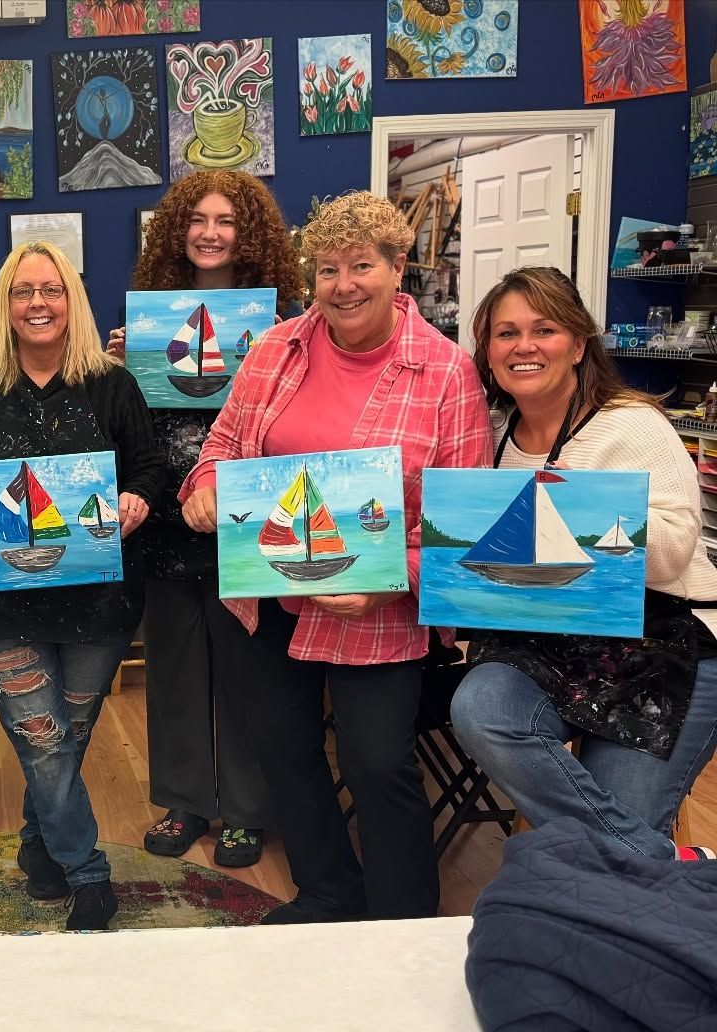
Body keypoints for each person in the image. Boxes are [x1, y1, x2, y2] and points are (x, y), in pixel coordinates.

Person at [178, 191, 493, 924]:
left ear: (398, 268)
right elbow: (222, 446)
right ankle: (327, 892)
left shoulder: (448, 375)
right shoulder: (274, 350)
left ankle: (402, 918)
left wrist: (395, 583)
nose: (343, 285)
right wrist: (201, 487)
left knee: (379, 763)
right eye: (327, 269)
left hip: (379, 610)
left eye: (361, 266)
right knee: (284, 753)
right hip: (267, 592)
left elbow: (466, 524)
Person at [0, 241, 164, 930]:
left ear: (73, 301)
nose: (38, 303)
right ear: (6, 306)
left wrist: (137, 501)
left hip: (98, 598)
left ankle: (40, 848)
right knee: (43, 739)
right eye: (23, 292)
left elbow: (150, 469)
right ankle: (89, 873)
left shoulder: (113, 385)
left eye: (51, 290)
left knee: (66, 737)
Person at [450, 267, 717, 861]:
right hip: (547, 645)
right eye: (506, 333)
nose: (524, 346)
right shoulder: (491, 436)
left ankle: (628, 861)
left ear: (578, 343)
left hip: (662, 645)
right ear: (488, 349)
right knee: (480, 705)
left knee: (608, 859)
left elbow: (673, 551)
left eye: (544, 329)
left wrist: (571, 514)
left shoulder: (630, 424)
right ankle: (654, 859)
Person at [112, 170, 302, 868]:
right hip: (165, 510)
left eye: (226, 220)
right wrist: (120, 367)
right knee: (174, 662)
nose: (210, 232)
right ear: (177, 229)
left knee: (246, 664)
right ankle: (186, 798)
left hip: (246, 507)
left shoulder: (288, 322)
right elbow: (139, 417)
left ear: (247, 232)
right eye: (197, 218)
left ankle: (249, 809)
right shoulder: (154, 316)